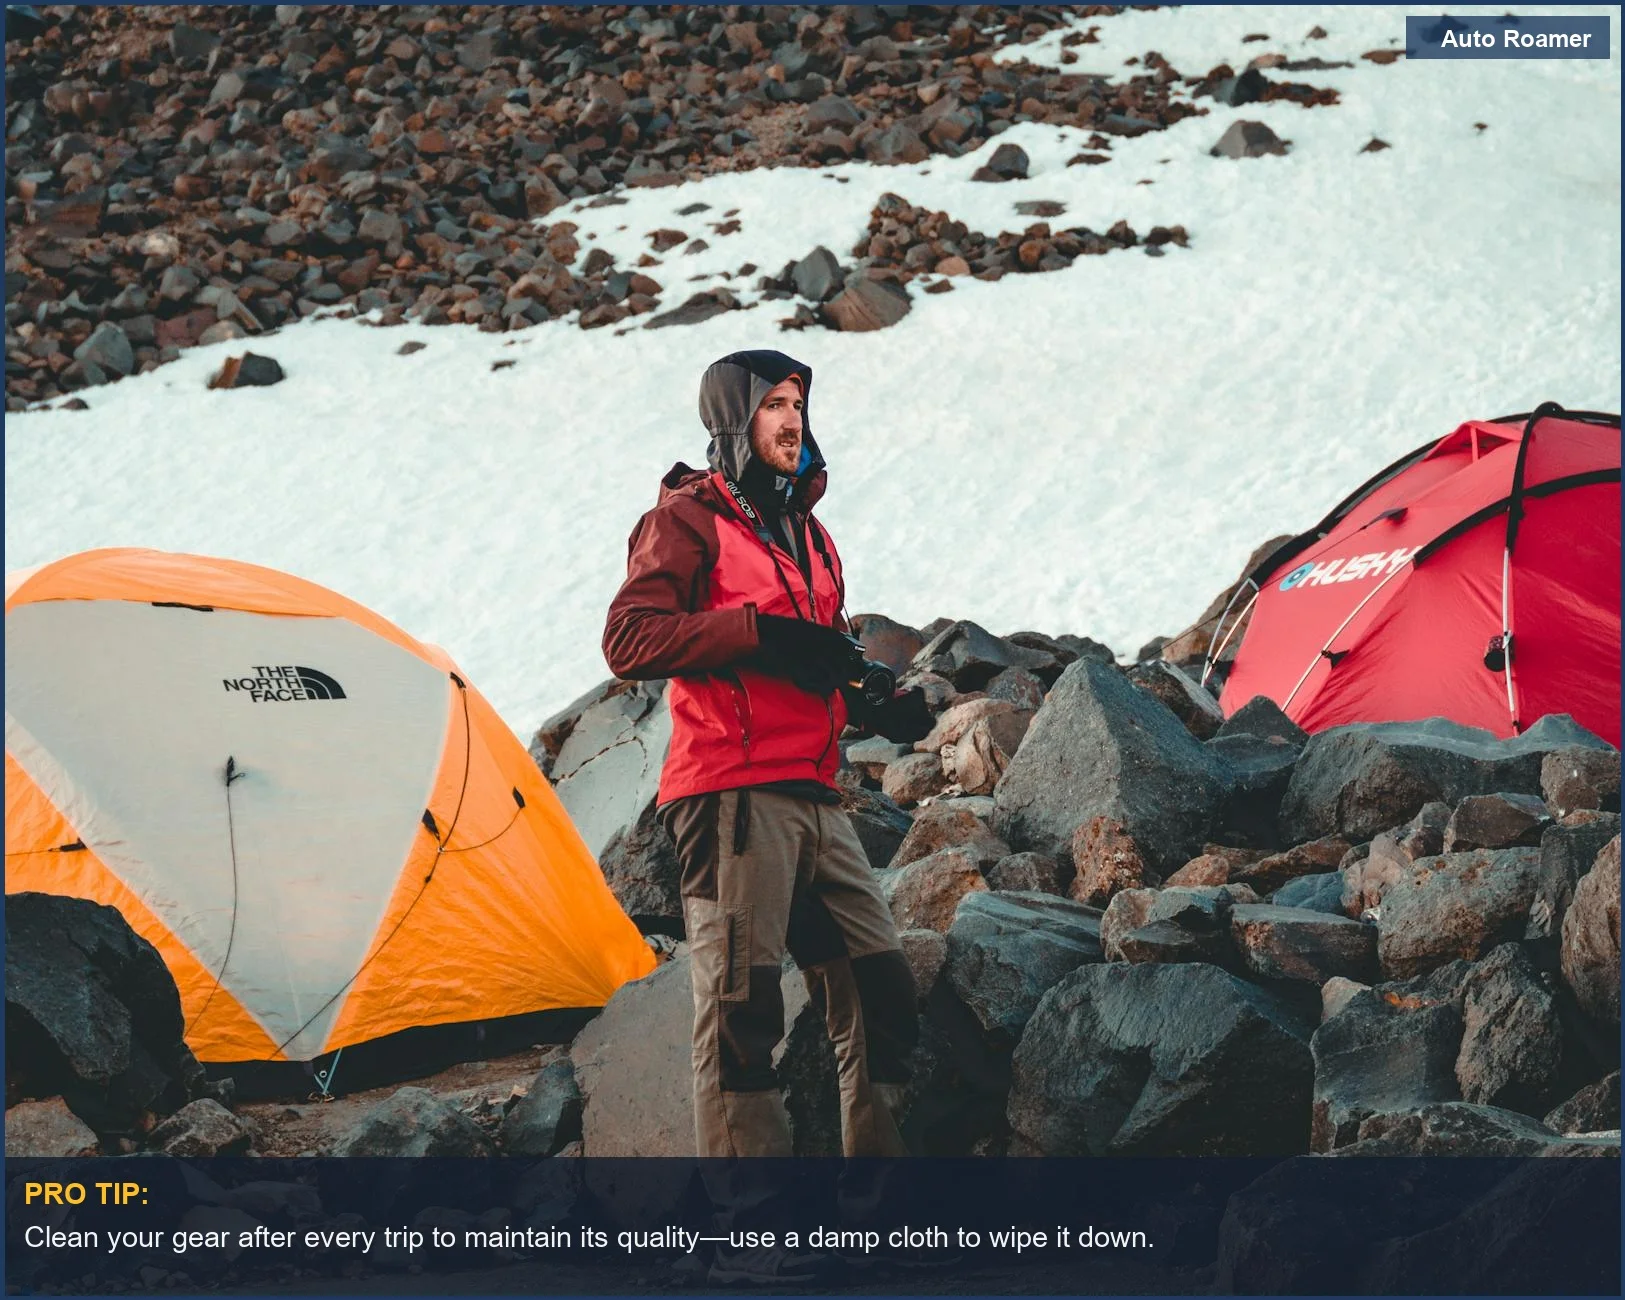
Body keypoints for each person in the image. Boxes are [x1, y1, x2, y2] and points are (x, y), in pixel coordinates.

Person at [602, 349, 933, 1170]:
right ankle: (749, 1236)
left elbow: (811, 656)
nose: (790, 419)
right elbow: (629, 638)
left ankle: (875, 1213)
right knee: (740, 1007)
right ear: (732, 419)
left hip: (815, 793)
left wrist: (866, 693)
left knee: (877, 987)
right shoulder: (684, 520)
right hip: (730, 795)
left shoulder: (810, 534)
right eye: (772, 404)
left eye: (797, 402)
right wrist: (761, 632)